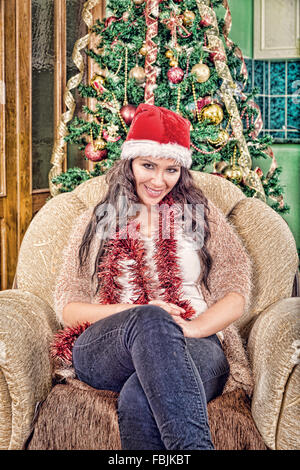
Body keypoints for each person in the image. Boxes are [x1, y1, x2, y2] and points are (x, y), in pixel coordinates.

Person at [54, 103, 253, 450]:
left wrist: (190, 328)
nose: (159, 181)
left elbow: (236, 292)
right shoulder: (98, 219)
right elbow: (68, 307)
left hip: (196, 342)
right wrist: (141, 316)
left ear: (182, 170)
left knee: (138, 396)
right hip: (108, 345)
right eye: (148, 166)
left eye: (171, 170)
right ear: (129, 163)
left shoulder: (201, 215)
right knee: (150, 317)